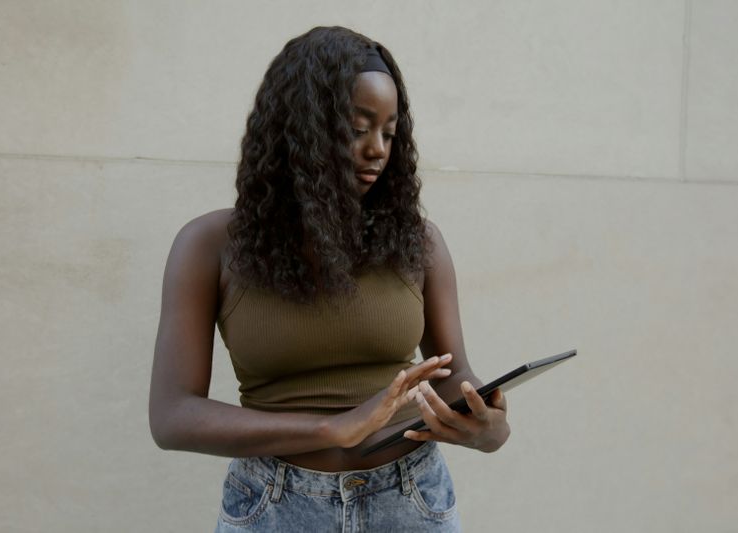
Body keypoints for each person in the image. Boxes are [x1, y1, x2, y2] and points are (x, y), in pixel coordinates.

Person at [149, 26, 510, 532]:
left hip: (409, 500)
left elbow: (454, 377)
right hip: (274, 504)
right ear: (302, 127)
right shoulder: (210, 246)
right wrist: (331, 428)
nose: (377, 150)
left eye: (389, 131)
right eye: (358, 127)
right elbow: (172, 417)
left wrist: (486, 428)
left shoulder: (418, 242)